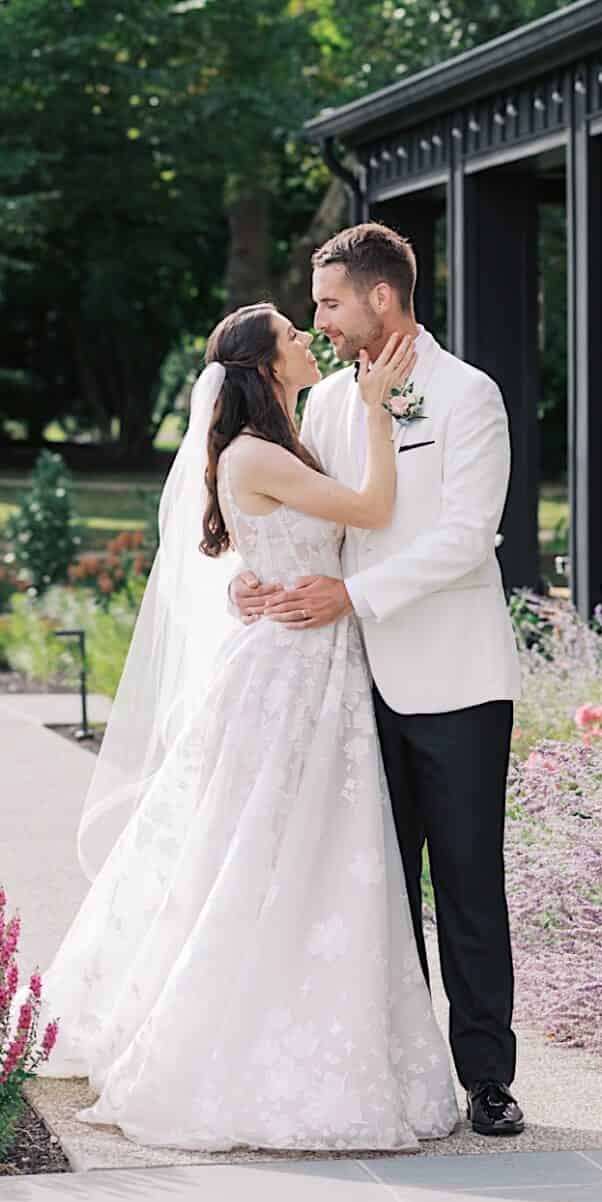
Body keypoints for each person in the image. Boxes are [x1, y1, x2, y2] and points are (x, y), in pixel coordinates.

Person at [40, 300, 464, 1152]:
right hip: (294, 673)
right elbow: (373, 511)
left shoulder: (277, 442)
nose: (310, 341)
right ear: (268, 367)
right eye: (296, 338)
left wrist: (248, 576)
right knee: (270, 849)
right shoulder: (259, 450)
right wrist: (380, 410)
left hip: (310, 658)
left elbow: (274, 543)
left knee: (297, 851)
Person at [231, 221, 527, 1139]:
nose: (317, 322)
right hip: (349, 686)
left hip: (456, 676)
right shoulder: (323, 405)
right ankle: (402, 1076)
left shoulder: (467, 395)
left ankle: (487, 1078)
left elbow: (464, 536)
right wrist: (255, 577)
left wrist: (351, 595)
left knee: (470, 885)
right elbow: (304, 514)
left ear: (381, 299)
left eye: (327, 303)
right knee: (376, 884)